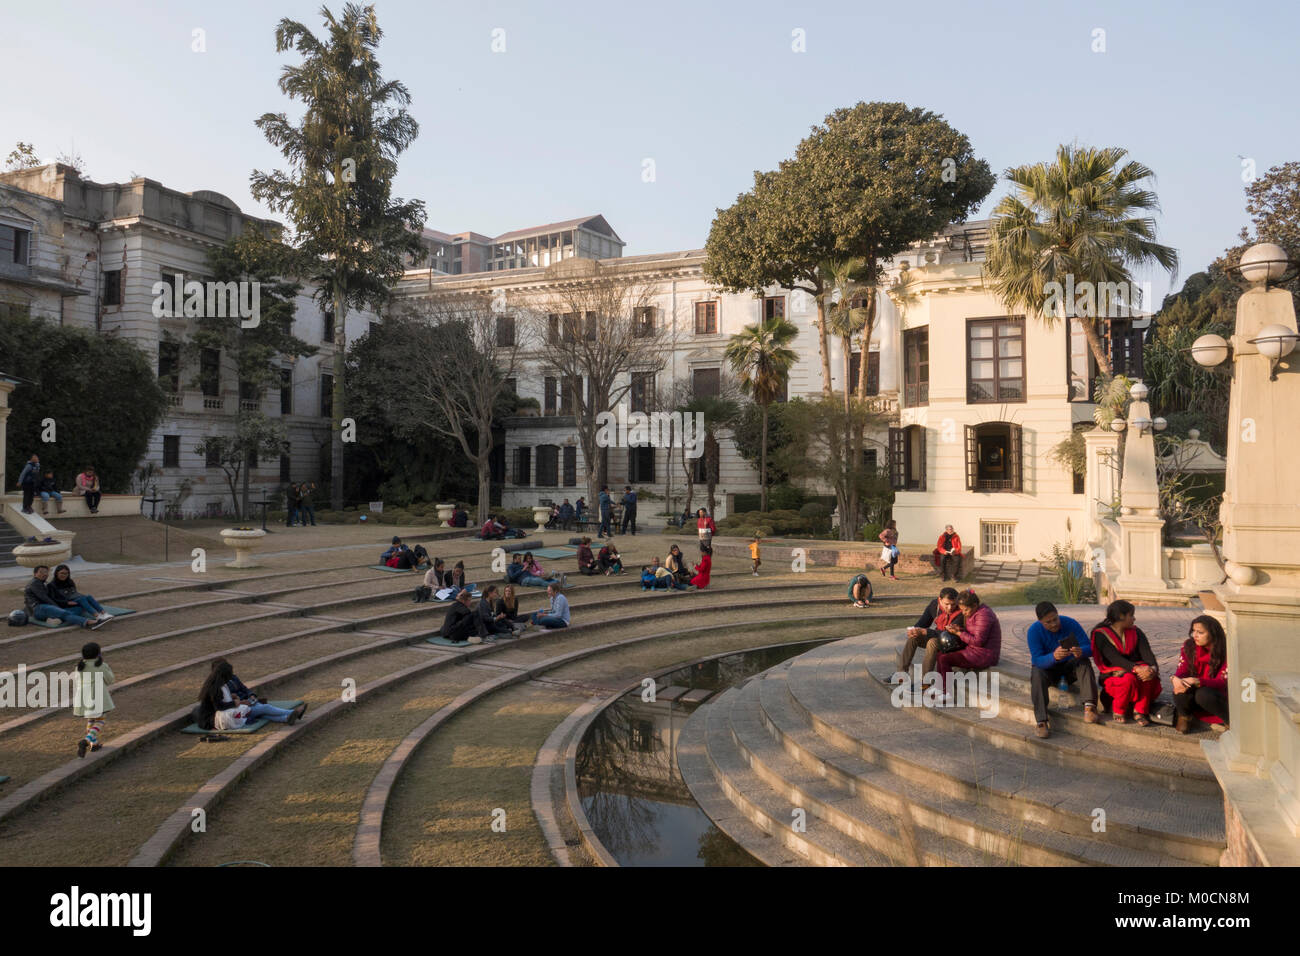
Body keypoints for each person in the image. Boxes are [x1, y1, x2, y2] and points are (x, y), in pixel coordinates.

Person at [1026, 601, 1099, 738]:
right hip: (1050, 671)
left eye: (1055, 619)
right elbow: (1037, 660)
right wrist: (1053, 656)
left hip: (1070, 669)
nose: (1054, 624)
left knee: (1083, 660)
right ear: (1040, 622)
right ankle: (1041, 721)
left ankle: (1090, 707)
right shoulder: (1033, 631)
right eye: (1048, 622)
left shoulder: (1070, 623)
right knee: (1036, 672)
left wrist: (1080, 651)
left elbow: (1090, 648)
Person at [1091, 600, 1161, 726]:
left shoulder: (1135, 632)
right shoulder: (1101, 634)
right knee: (1129, 679)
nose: (1134, 618)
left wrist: (1152, 669)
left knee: (1148, 676)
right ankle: (1119, 709)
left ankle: (1139, 711)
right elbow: (1114, 658)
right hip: (1113, 672)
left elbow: (1147, 653)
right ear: (1121, 616)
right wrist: (1136, 669)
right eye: (1131, 615)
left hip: (1136, 668)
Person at [196, 660, 306, 731]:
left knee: (260, 712)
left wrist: (245, 696)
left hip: (232, 708)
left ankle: (287, 718)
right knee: (264, 708)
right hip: (218, 718)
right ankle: (293, 713)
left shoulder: (220, 683)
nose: (231, 676)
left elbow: (242, 689)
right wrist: (235, 702)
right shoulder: (215, 687)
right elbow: (219, 707)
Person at [1172, 615, 1229, 733]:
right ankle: (1184, 717)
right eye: (1193, 631)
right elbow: (1182, 670)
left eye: (1200, 632)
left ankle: (1228, 720)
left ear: (1213, 634)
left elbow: (1223, 681)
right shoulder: (1189, 645)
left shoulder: (1226, 649)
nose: (1195, 635)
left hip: (1217, 696)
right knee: (1180, 688)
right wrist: (1176, 679)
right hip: (1195, 691)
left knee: (1203, 694)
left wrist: (1198, 681)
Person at [935, 590, 1001, 682]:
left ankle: (947, 692)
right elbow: (972, 632)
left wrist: (958, 633)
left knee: (945, 659)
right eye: (961, 610)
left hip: (984, 655)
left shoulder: (984, 615)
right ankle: (940, 686)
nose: (963, 613)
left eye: (965, 610)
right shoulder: (973, 612)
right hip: (973, 650)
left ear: (974, 605)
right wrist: (959, 629)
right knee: (940, 654)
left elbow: (978, 641)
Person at [895, 587, 960, 672]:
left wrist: (926, 631)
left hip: (951, 641)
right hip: (938, 636)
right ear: (940, 600)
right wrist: (914, 630)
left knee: (932, 642)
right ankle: (901, 674)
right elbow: (923, 622)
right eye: (946, 604)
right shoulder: (934, 605)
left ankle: (925, 681)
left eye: (953, 604)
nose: (950, 607)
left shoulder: (960, 611)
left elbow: (950, 634)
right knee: (913, 638)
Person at [24, 566, 102, 629]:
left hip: (47, 608)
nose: (45, 574)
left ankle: (56, 619)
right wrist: (59, 608)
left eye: (46, 572)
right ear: (35, 574)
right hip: (38, 609)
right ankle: (88, 622)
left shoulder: (43, 583)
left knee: (78, 608)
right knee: (64, 612)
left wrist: (64, 604)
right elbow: (45, 598)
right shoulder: (34, 583)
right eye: (41, 572)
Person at [73, 641, 114, 758]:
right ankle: (86, 741)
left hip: (83, 697)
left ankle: (94, 744)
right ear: (98, 654)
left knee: (91, 720)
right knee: (100, 720)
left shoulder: (79, 667)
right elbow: (110, 680)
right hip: (97, 697)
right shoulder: (100, 665)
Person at [48, 564, 113, 624]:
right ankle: (97, 616)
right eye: (62, 573)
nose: (64, 575)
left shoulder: (69, 581)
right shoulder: (51, 585)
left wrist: (82, 596)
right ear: (56, 573)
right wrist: (66, 603)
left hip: (74, 600)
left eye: (66, 573)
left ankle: (104, 614)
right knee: (81, 599)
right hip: (64, 604)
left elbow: (74, 593)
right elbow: (53, 599)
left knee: (88, 596)